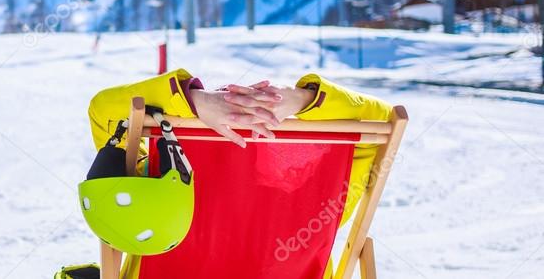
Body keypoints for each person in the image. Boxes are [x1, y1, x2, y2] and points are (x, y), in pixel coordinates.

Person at [86, 68, 392, 278]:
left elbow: (104, 111)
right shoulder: (320, 206)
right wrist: (304, 99)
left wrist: (192, 102)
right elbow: (383, 121)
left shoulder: (158, 189)